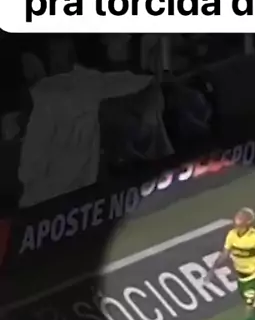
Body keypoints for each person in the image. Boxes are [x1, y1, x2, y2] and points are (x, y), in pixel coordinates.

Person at [18, 37, 170, 207]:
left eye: (58, 53)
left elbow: (145, 83)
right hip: (46, 194)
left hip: (81, 191)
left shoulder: (89, 81)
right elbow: (30, 162)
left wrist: (149, 117)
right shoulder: (42, 94)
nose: (55, 59)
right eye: (52, 54)